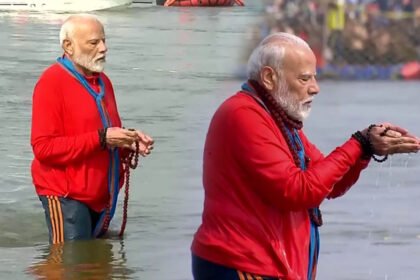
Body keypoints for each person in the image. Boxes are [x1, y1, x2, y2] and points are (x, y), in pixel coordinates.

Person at [190, 32, 420, 280]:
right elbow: (297, 191)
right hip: (242, 264)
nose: (316, 88)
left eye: (315, 78)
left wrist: (365, 150)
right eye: (304, 78)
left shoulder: (277, 119)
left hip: (270, 265)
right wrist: (358, 142)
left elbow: (331, 185)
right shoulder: (243, 114)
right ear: (269, 77)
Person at [30, 14, 154, 244]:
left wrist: (129, 142)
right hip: (65, 195)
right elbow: (43, 148)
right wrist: (102, 138)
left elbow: (105, 133)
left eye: (104, 41)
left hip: (101, 193)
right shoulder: (51, 82)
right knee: (70, 267)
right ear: (68, 46)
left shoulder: (103, 81)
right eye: (94, 42)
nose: (104, 48)